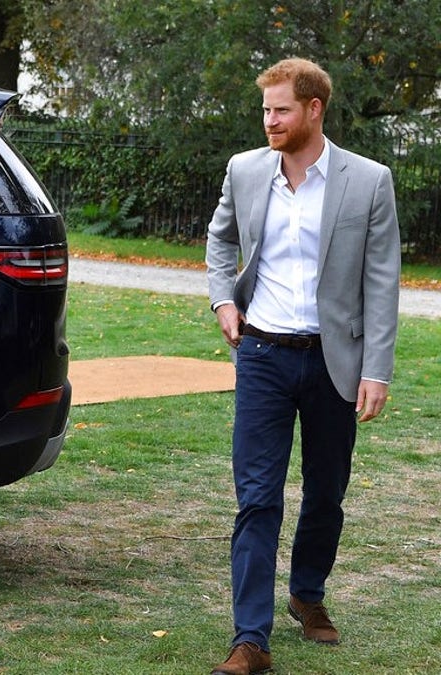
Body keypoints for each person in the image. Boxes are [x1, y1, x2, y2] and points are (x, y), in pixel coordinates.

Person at [205, 58, 400, 675]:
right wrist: (220, 298)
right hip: (262, 354)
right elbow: (220, 238)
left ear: (314, 109)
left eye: (281, 109)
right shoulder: (246, 170)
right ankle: (250, 639)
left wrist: (377, 368)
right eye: (265, 110)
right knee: (257, 497)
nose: (270, 120)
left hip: (333, 362)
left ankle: (307, 593)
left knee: (325, 493)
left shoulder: (368, 181)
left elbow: (382, 281)